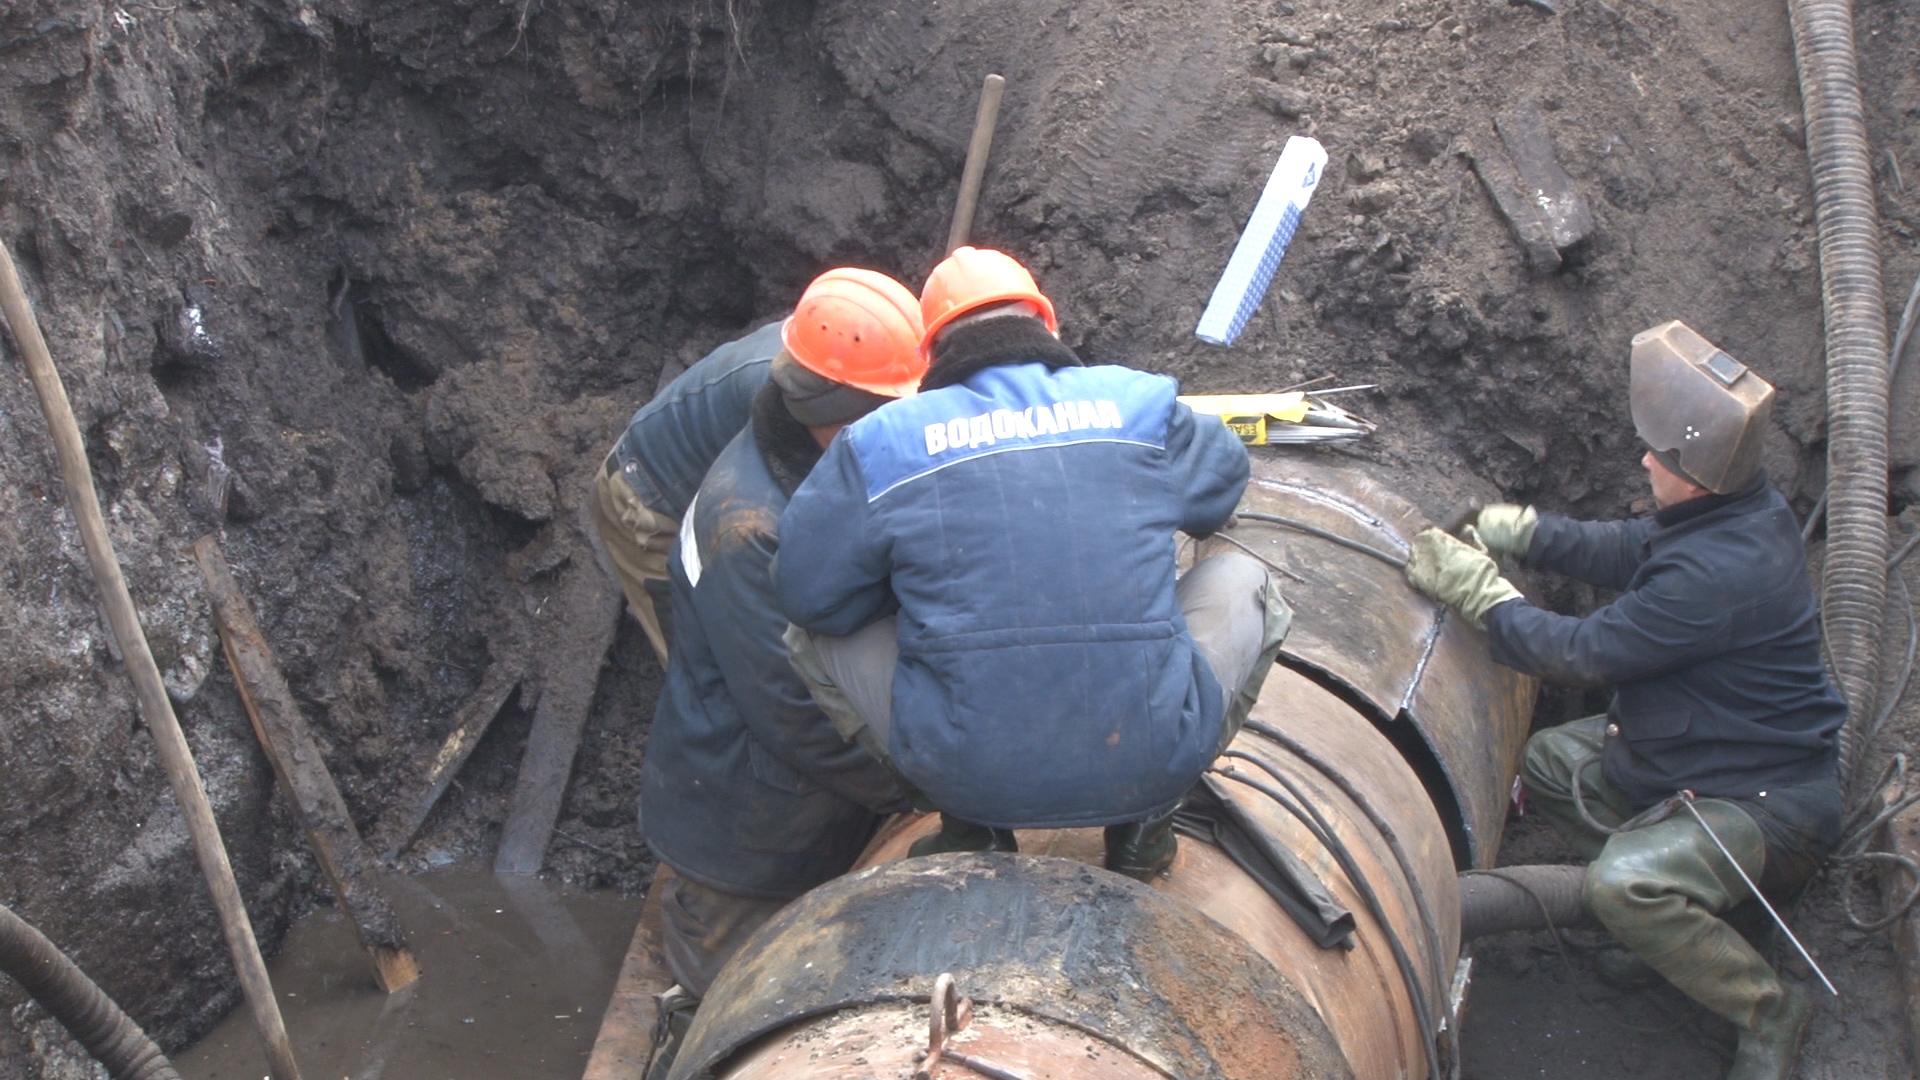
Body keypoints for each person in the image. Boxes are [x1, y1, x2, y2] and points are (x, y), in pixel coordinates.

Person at [1403, 320, 1844, 1080]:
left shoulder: (1713, 579)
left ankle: (1765, 1005)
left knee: (1622, 884)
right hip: (1703, 749)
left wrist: (1483, 592)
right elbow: (1630, 548)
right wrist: (1530, 534)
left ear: (1696, 470)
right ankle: (1667, 931)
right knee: (1549, 761)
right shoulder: (1736, 512)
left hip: (1769, 803)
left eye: (1660, 455)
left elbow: (1584, 652)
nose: (1644, 458)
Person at [775, 246, 1291, 881]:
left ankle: (970, 828)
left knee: (813, 637)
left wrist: (904, 598)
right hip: (1147, 756)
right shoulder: (1137, 404)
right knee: (1247, 581)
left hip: (969, 772)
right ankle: (1147, 822)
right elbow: (1221, 487)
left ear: (929, 353)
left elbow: (806, 595)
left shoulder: (882, 441)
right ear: (1048, 326)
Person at [636, 268, 927, 1079]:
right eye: (882, 417)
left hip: (786, 806)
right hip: (744, 838)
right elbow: (798, 714)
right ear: (827, 414)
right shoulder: (751, 526)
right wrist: (923, 787)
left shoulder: (809, 465)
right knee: (728, 1020)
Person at [593, 320, 783, 667]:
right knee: (699, 670)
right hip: (646, 501)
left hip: (704, 473)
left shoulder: (850, 348)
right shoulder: (779, 396)